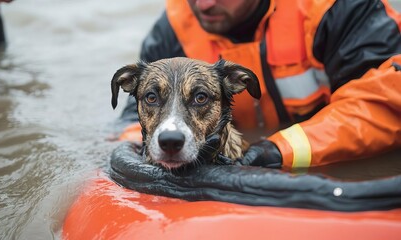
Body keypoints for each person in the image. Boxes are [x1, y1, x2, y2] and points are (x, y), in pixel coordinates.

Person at [116, 0, 401, 169]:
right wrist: (133, 151)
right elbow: (135, 113)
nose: (203, 5)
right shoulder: (175, 27)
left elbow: (388, 100)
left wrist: (275, 152)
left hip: (334, 154)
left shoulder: (337, 8)